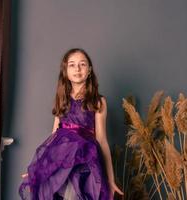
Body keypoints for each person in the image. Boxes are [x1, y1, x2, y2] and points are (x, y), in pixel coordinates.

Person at [19, 48, 124, 200]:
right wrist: (39, 168)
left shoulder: (98, 101)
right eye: (72, 65)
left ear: (89, 70)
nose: (77, 69)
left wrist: (110, 179)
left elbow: (102, 140)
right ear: (65, 71)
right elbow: (54, 138)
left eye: (82, 64)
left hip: (84, 162)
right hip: (62, 163)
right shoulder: (62, 99)